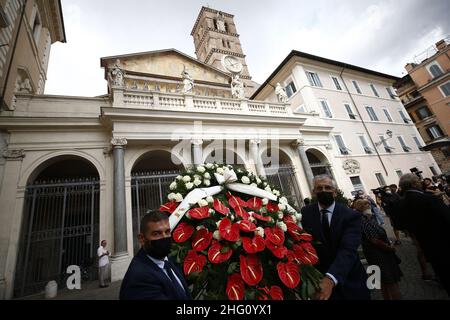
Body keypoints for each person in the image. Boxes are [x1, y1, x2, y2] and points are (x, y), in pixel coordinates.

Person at [301, 174, 370, 300]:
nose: (323, 191)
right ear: (314, 192)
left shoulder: (351, 215)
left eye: (327, 188)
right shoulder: (306, 212)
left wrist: (331, 278)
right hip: (319, 281)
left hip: (349, 279)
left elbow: (348, 249)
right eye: (319, 188)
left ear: (334, 192)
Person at [397, 173, 450, 296]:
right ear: (414, 183)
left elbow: (402, 225)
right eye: (418, 181)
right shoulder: (428, 198)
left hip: (428, 246)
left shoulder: (402, 203)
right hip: (445, 242)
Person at [119, 210, 192, 300]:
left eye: (167, 232)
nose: (164, 237)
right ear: (142, 239)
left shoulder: (167, 259)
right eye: (156, 234)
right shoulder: (141, 279)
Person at [353, 199, 403, 300]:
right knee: (390, 281)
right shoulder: (364, 221)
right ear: (361, 209)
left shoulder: (368, 219)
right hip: (380, 255)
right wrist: (389, 247)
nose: (369, 208)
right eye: (367, 207)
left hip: (375, 254)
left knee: (383, 282)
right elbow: (374, 240)